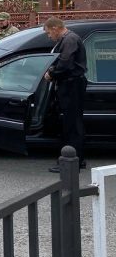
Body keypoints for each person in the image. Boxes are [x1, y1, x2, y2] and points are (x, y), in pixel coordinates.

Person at [43, 17, 88, 173]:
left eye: (49, 33)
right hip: (71, 84)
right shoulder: (69, 39)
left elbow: (65, 63)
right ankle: (78, 159)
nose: (49, 36)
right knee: (73, 123)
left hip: (71, 85)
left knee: (72, 124)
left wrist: (51, 73)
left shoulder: (69, 40)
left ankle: (71, 162)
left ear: (55, 28)